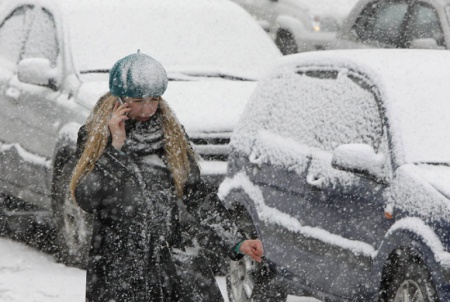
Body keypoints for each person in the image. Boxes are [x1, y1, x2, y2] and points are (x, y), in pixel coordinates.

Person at [69, 52, 263, 302]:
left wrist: (236, 241)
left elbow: (197, 195)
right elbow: (87, 198)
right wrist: (115, 148)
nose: (148, 108)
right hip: (120, 267)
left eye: (155, 99)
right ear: (121, 97)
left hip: (175, 263)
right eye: (139, 100)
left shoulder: (170, 135)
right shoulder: (96, 135)